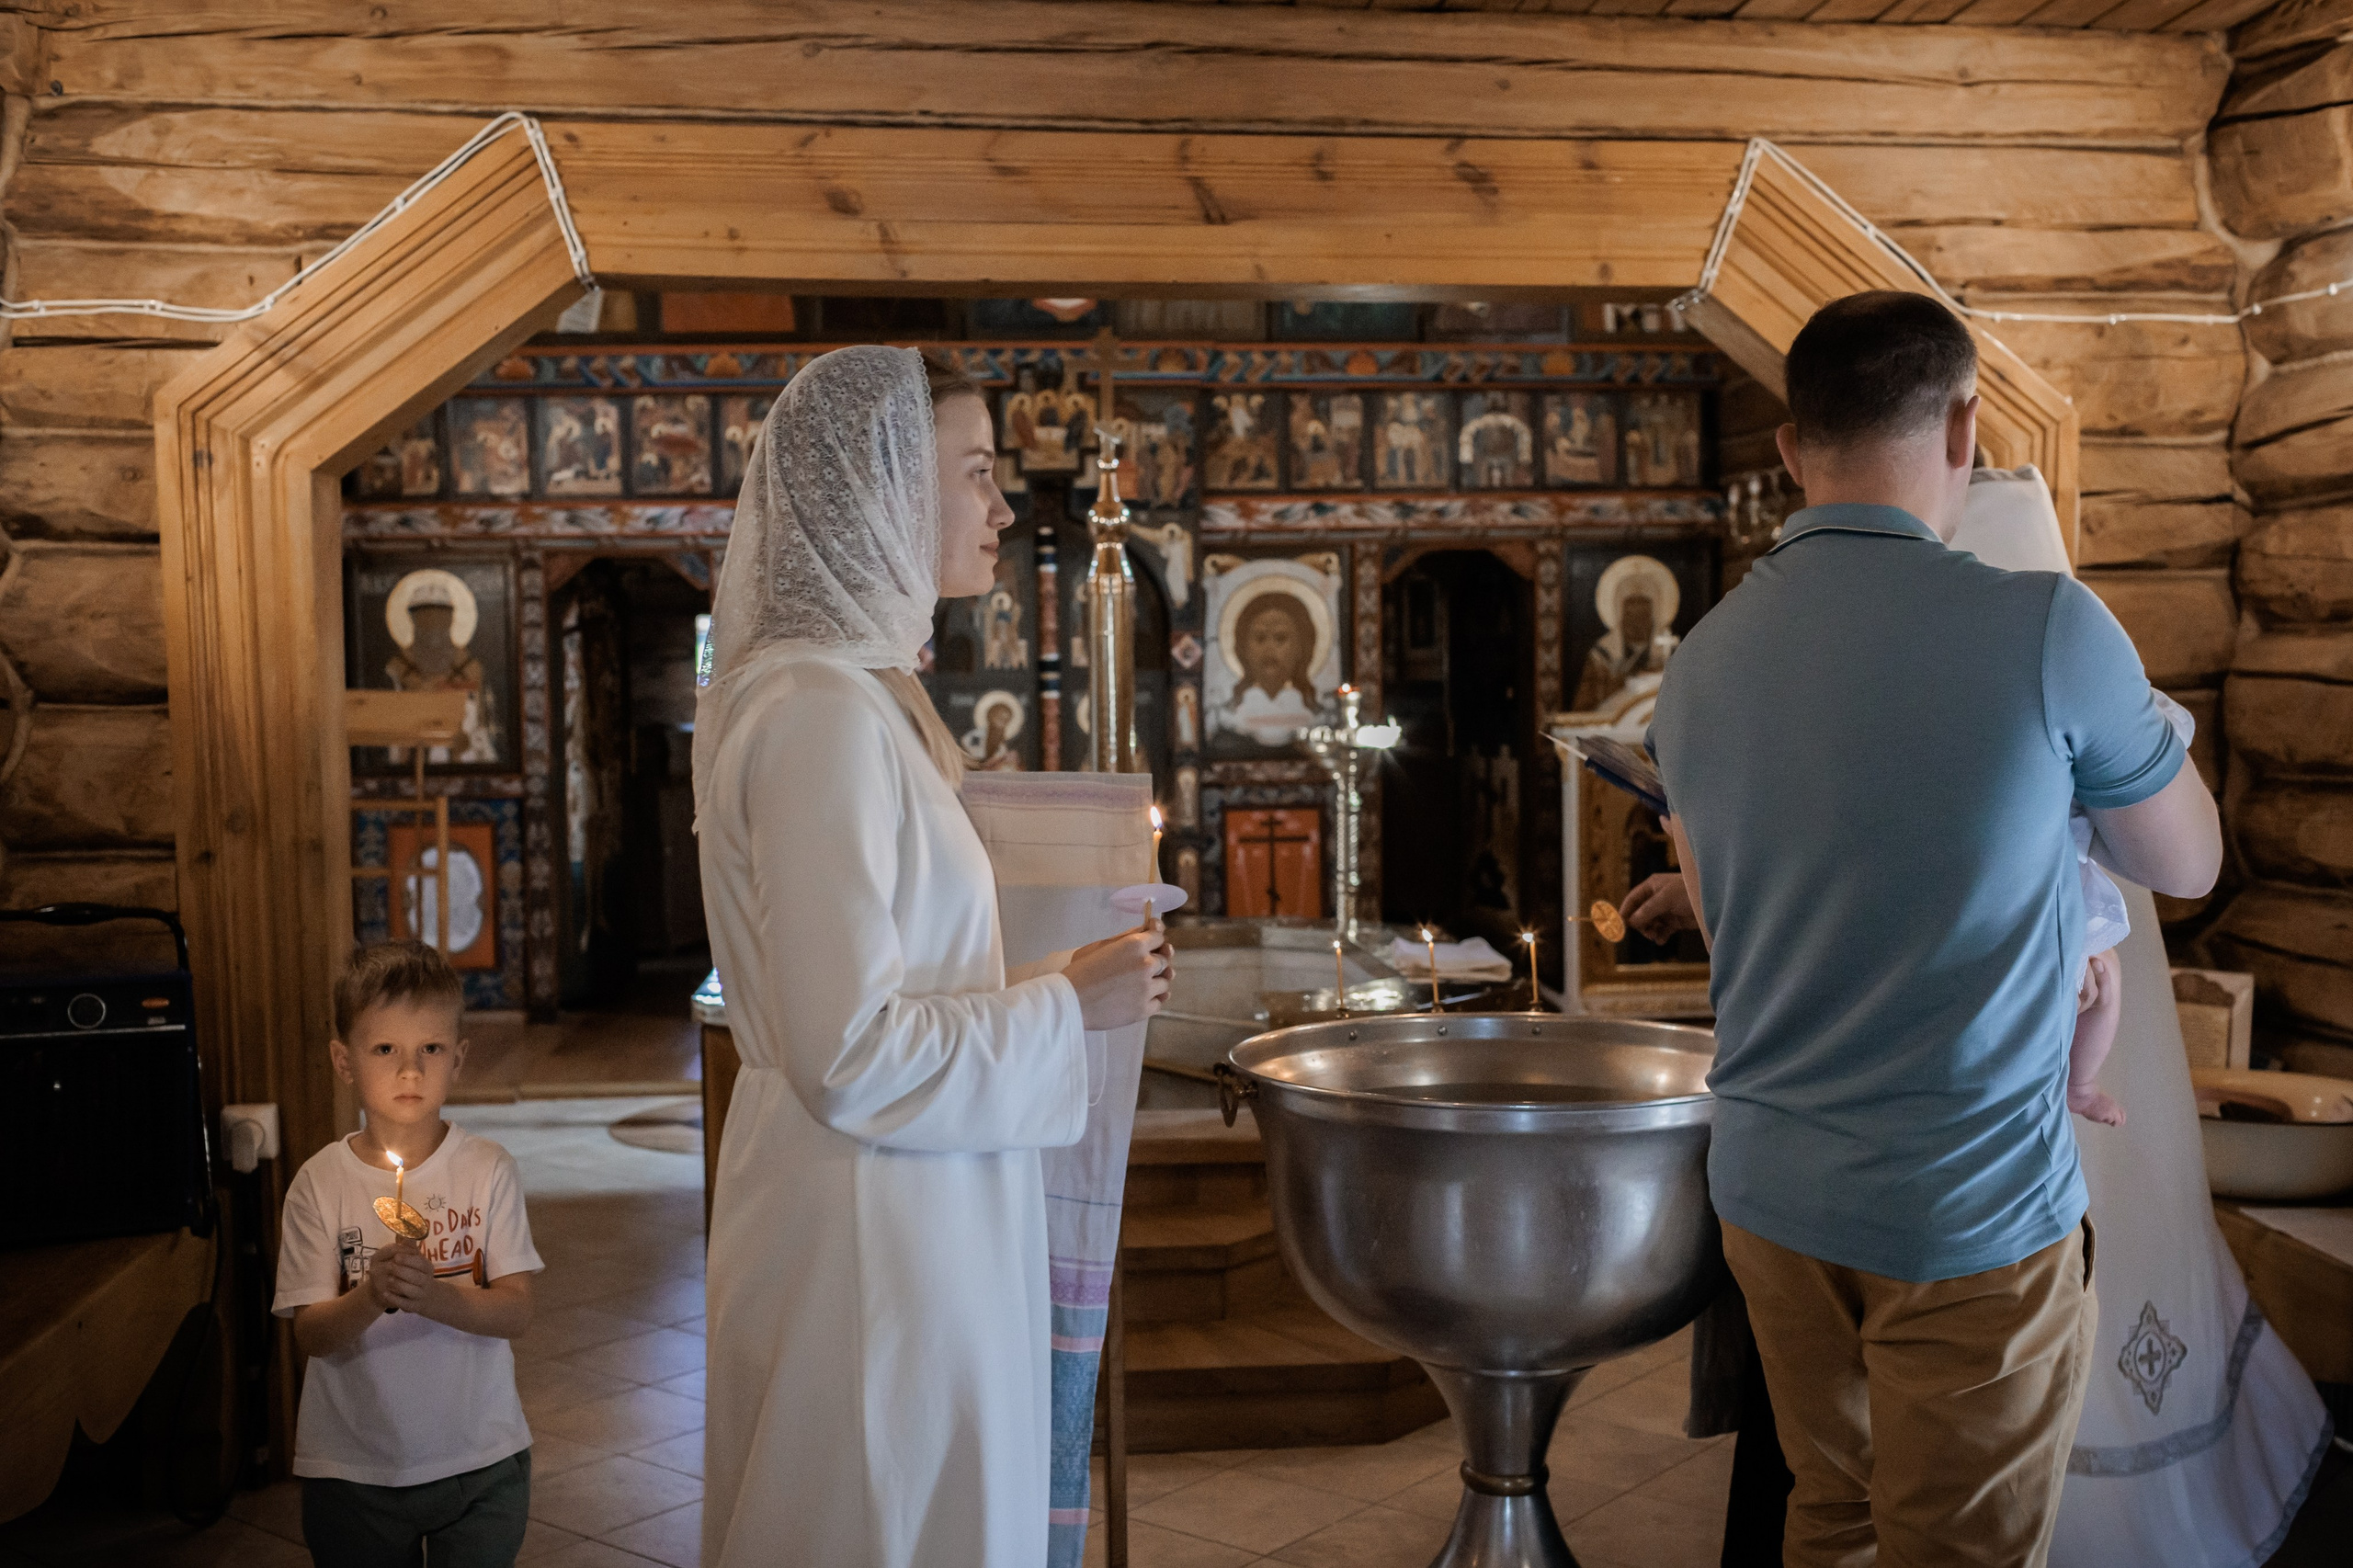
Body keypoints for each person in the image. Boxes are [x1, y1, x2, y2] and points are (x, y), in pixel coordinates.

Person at [1642, 290, 2222, 1568]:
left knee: (1834, 1515)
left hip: (1774, 1196)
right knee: (1956, 1551)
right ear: (1966, 424)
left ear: (1791, 451)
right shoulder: (2045, 628)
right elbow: (2189, 863)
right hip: (1966, 1210)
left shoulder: (1703, 659)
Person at [691, 345, 1173, 1568]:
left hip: (909, 1197)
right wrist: (1068, 1001)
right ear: (882, 491)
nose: (1004, 506)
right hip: (871, 1232)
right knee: (882, 1514)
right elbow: (851, 1052)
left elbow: (895, 977)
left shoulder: (852, 697)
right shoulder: (816, 717)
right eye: (976, 472)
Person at [272, 940, 541, 1568]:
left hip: (481, 1459)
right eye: (385, 1049)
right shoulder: (319, 1184)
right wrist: (370, 1297)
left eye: (431, 1049)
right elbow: (310, 1333)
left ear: (460, 1058)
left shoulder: (488, 1170)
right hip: (355, 1469)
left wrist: (437, 1296)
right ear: (344, 1061)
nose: (410, 1071)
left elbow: (517, 1311)